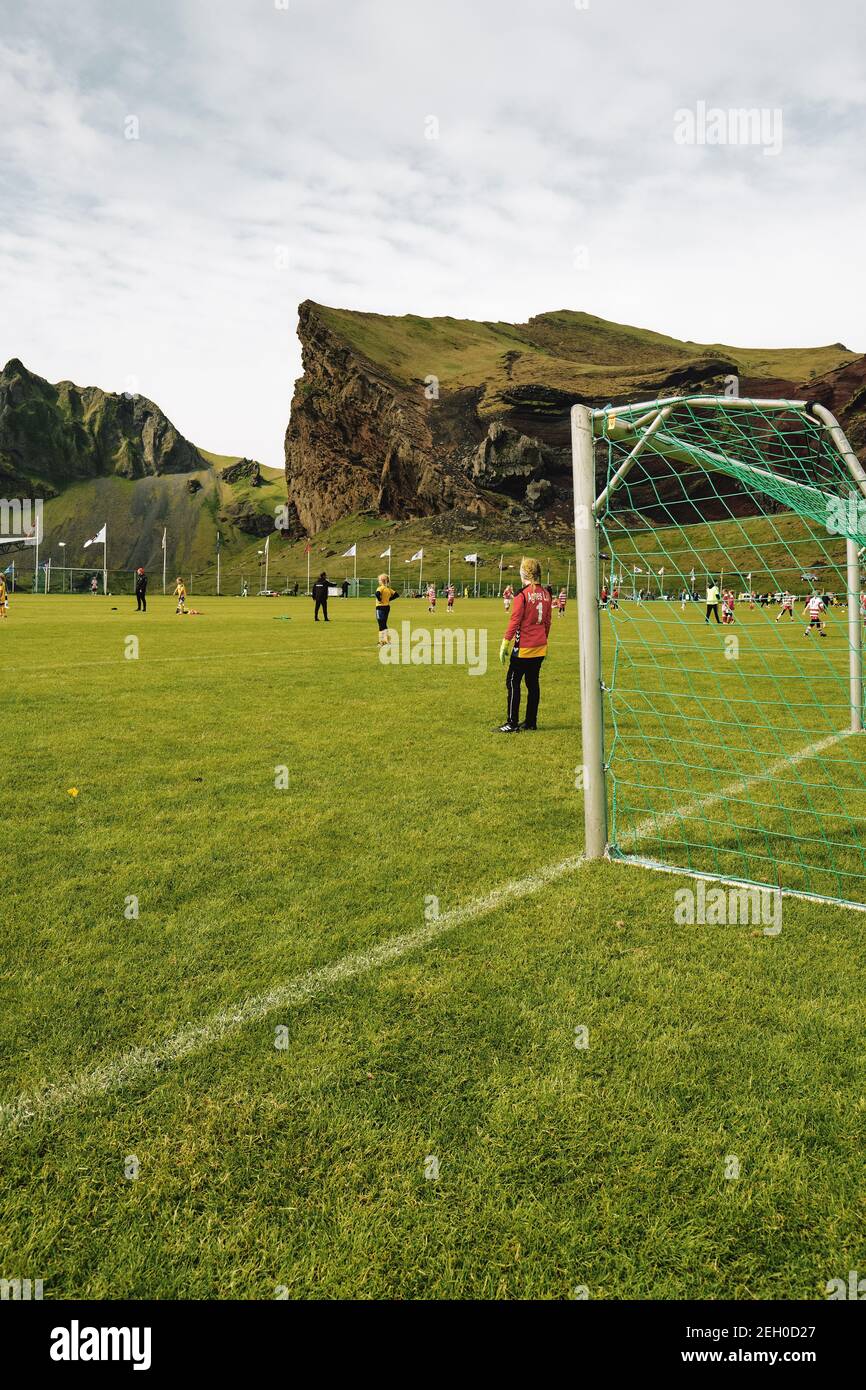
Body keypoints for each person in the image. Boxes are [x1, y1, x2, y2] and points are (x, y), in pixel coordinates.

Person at [497, 556, 552, 733]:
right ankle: (530, 721)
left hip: (524, 648)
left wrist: (506, 642)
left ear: (524, 573)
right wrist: (543, 639)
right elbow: (548, 622)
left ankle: (512, 722)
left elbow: (515, 620)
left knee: (512, 681)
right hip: (540, 646)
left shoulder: (522, 595)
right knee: (533, 683)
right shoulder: (546, 593)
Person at [374, 573, 398, 646]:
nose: (378, 581)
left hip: (380, 607)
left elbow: (377, 594)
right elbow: (397, 595)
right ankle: (385, 640)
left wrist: (380, 599)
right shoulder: (388, 589)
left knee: (381, 624)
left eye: (379, 580)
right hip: (387, 607)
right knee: (384, 624)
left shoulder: (380, 588)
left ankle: (382, 641)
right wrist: (389, 599)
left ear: (382, 581)